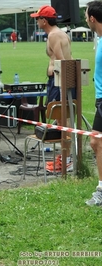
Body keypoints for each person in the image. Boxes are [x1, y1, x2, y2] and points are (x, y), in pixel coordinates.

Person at [30, 5, 75, 173]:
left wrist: (62, 87)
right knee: (62, 121)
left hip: (59, 81)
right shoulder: (59, 33)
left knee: (63, 120)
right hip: (60, 80)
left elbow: (62, 63)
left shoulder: (54, 36)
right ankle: (65, 158)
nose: (36, 22)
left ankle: (67, 160)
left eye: (38, 19)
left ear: (44, 20)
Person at [85, 0, 102, 206]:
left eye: (86, 16)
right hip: (100, 99)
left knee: (97, 142)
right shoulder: (99, 38)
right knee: (96, 142)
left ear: (92, 19)